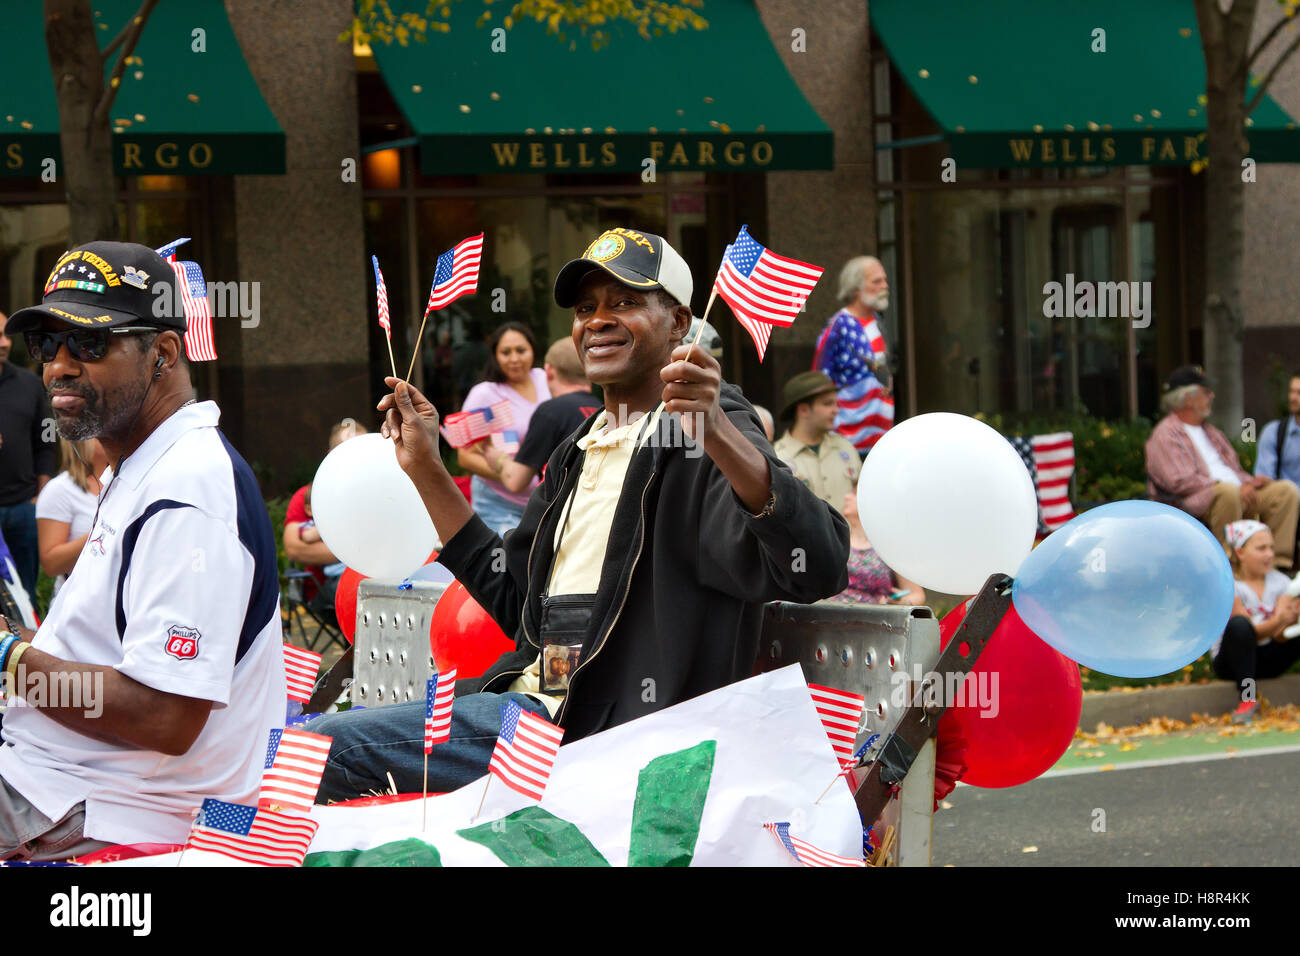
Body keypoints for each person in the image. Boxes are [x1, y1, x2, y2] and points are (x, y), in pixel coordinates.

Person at [306, 226, 849, 801]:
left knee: (321, 751)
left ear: (679, 322)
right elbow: (518, 604)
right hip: (528, 707)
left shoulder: (703, 429)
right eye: (586, 307)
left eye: (626, 302)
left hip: (605, 735)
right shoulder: (578, 447)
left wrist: (714, 430)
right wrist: (425, 469)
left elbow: (818, 564)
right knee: (307, 751)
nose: (598, 320)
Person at [0, 241, 285, 860]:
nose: (59, 366)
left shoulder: (188, 488)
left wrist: (9, 658)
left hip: (100, 804)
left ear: (162, 353)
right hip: (55, 778)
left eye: (89, 344)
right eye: (47, 344)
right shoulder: (142, 463)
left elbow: (163, 717)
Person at [1146, 364, 1300, 569]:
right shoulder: (1166, 434)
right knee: (1228, 493)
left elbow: (1233, 470)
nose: (1212, 396)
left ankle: (1276, 567)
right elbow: (1179, 481)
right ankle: (1228, 566)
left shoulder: (1212, 432)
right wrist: (1230, 486)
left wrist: (1251, 482)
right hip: (1192, 501)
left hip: (1234, 493)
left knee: (1285, 491)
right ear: (1188, 398)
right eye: (1206, 392)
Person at [457, 321, 551, 533]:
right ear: (495, 356)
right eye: (506, 352)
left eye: (521, 350)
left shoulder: (545, 379)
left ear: (532, 350)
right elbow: (465, 456)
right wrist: (511, 474)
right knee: (507, 563)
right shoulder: (484, 394)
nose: (514, 359)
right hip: (498, 504)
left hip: (545, 503)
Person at [482, 338, 600, 494]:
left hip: (563, 510)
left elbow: (515, 481)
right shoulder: (603, 409)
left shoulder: (551, 411)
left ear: (549, 371)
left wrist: (499, 459)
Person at [1215, 520, 1300, 724]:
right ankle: (1248, 699)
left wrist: (1290, 623)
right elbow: (1248, 635)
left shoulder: (1281, 582)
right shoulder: (1229, 586)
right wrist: (1279, 619)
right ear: (1241, 553)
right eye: (1261, 548)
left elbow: (1280, 637)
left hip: (1268, 658)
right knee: (1239, 626)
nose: (1270, 554)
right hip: (1232, 663)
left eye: (1271, 547)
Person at [813, 256, 895, 454]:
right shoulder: (838, 327)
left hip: (881, 439)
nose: (885, 286)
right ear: (856, 288)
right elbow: (819, 380)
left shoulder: (878, 321)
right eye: (876, 281)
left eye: (884, 280)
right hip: (848, 442)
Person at [0, 311, 56, 599]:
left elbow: (46, 441)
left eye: (6, 336)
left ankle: (27, 643)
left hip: (24, 506)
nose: (5, 343)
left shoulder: (29, 384)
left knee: (26, 595)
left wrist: (41, 496)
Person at [283, 418, 368, 605]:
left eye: (364, 451)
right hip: (327, 590)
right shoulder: (309, 496)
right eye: (350, 451)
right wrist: (362, 551)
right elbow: (294, 549)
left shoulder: (380, 494)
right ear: (332, 455)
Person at [773, 371, 861, 510]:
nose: (836, 410)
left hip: (850, 531)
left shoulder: (845, 447)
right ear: (803, 410)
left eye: (836, 403)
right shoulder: (778, 457)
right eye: (827, 404)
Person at [35, 437, 108, 598]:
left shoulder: (121, 481)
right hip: (78, 601)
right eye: (100, 434)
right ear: (83, 441)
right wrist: (104, 531)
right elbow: (51, 564)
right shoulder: (59, 489)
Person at [829, 492, 925, 607]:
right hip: (830, 616)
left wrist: (903, 602)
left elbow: (916, 594)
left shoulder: (889, 547)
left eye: (855, 493)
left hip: (873, 619)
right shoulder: (835, 540)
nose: (846, 496)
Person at [1254, 372, 1300, 485]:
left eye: (1299, 393)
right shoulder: (1273, 432)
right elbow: (1264, 478)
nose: (1293, 398)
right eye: (1291, 391)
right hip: (1287, 499)